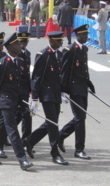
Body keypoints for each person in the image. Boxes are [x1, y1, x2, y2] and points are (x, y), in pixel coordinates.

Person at [0, 33, 34, 170]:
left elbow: (21, 84)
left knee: (2, 129)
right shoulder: (0, 64)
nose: (20, 46)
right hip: (4, 102)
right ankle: (22, 159)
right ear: (10, 47)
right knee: (12, 130)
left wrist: (27, 101)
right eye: (17, 44)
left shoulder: (20, 62)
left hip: (15, 101)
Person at [23, 31, 69, 166]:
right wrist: (35, 98)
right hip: (46, 94)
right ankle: (55, 153)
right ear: (51, 41)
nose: (61, 43)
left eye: (61, 41)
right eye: (59, 41)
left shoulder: (60, 55)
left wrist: (64, 91)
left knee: (51, 122)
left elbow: (60, 77)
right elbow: (37, 78)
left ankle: (29, 141)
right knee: (53, 124)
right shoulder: (43, 55)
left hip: (56, 94)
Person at [58, 24, 94, 160]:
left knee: (81, 117)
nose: (86, 37)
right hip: (73, 89)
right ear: (78, 35)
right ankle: (79, 149)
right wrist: (64, 91)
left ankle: (60, 136)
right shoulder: (69, 50)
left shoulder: (84, 49)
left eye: (86, 34)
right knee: (80, 119)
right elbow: (65, 72)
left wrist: (89, 83)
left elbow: (84, 69)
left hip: (82, 88)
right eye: (84, 35)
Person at [15, 32, 32, 140]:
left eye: (25, 41)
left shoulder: (28, 53)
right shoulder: (16, 54)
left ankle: (26, 139)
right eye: (20, 41)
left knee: (25, 113)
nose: (23, 44)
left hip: (24, 88)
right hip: (16, 88)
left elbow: (27, 72)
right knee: (14, 115)